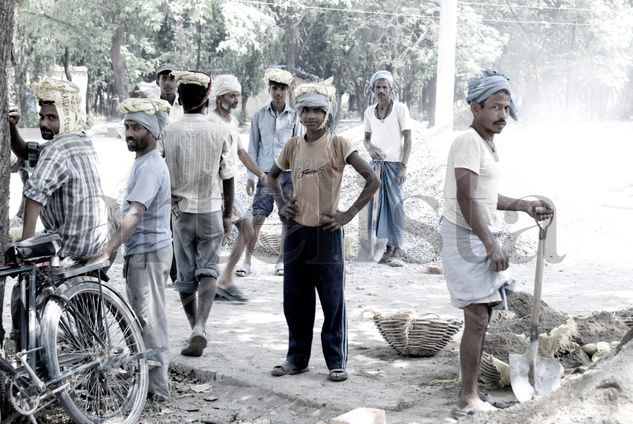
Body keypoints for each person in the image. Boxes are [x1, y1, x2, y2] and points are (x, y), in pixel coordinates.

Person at [440, 69, 554, 416]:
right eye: (495, 107)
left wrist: (521, 204)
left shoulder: (487, 144)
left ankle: (472, 392)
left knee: (481, 315)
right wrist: (491, 244)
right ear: (475, 108)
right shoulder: (468, 142)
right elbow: (466, 198)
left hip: (477, 232)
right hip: (464, 236)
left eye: (506, 108)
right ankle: (467, 399)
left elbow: (486, 197)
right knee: (476, 316)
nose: (502, 115)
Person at [267, 80, 380, 382]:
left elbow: (373, 180)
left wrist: (348, 215)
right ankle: (297, 358)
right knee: (295, 299)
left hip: (327, 234)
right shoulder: (293, 145)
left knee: (332, 300)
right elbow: (272, 177)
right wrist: (281, 204)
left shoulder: (338, 144)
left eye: (318, 110)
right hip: (296, 234)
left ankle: (336, 361)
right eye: (306, 110)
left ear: (327, 113)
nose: (312, 116)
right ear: (299, 114)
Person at [96, 97, 173, 401]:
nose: (129, 132)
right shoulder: (142, 163)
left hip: (149, 253)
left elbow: (135, 213)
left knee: (150, 320)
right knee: (144, 319)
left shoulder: (151, 167)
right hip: (143, 252)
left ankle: (158, 392)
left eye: (136, 127)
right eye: (127, 126)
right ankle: (147, 386)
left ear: (151, 132)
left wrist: (108, 249)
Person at [160, 71, 234, 357]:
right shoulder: (219, 130)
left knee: (185, 274)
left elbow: (160, 169)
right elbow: (228, 176)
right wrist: (228, 214)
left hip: (180, 212)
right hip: (211, 208)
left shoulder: (169, 130)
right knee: (208, 270)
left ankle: (194, 326)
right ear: (207, 99)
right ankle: (201, 325)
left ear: (179, 98)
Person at [9, 78, 111, 260]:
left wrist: (26, 246)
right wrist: (12, 127)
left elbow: (34, 195)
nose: (43, 123)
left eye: (52, 118)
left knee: (10, 249)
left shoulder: (57, 148)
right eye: (41, 117)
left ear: (66, 118)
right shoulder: (80, 139)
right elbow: (26, 152)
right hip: (92, 238)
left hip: (70, 243)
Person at [208, 74, 266, 303]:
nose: (235, 100)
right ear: (220, 96)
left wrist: (261, 174)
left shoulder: (231, 122)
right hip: (215, 190)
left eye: (238, 96)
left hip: (228, 189)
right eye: (232, 95)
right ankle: (213, 282)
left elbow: (241, 153)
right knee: (220, 235)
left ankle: (223, 280)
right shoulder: (210, 123)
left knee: (246, 228)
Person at [241, 68, 300, 277]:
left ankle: (281, 261)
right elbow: (253, 148)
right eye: (275, 88)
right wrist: (251, 176)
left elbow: (298, 148)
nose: (278, 93)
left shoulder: (295, 117)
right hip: (265, 174)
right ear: (269, 89)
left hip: (288, 174)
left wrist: (298, 179)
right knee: (257, 217)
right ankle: (246, 261)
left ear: (288, 91)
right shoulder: (259, 116)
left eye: (283, 88)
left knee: (287, 218)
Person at [363, 70, 412, 267]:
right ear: (373, 89)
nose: (381, 90)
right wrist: (370, 148)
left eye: (385, 87)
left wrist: (403, 166)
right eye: (378, 87)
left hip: (395, 165)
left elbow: (408, 138)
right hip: (376, 167)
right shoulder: (369, 111)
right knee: (378, 207)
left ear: (391, 89)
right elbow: (366, 139)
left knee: (396, 205)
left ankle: (398, 248)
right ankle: (385, 250)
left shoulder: (400, 109)